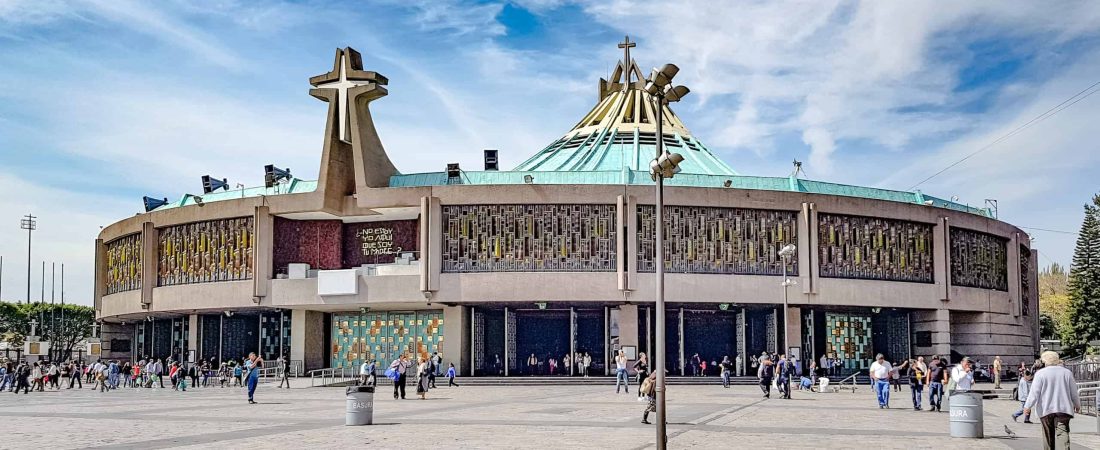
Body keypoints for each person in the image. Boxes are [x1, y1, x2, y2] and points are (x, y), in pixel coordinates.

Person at [1024, 351, 1081, 450]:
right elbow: (1074, 392)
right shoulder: (1067, 373)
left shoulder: (1040, 374)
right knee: (1063, 433)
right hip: (1063, 408)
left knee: (1048, 435)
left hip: (1046, 409)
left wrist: (1027, 406)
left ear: (1044, 361)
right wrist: (1077, 404)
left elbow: (1034, 393)